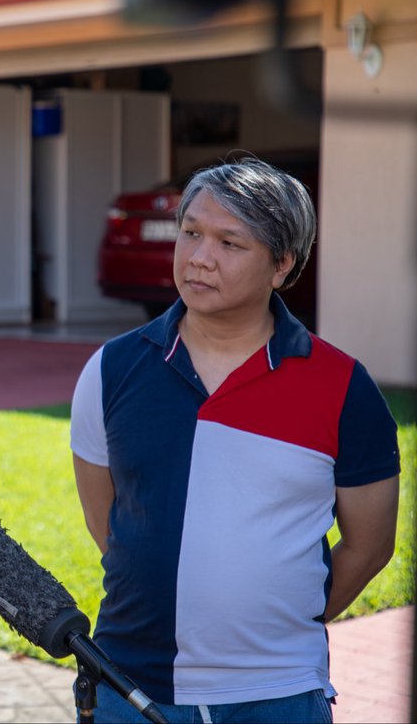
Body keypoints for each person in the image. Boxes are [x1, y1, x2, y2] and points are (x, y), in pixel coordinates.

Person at [70, 157, 400, 723]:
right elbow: (111, 525)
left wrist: (279, 625)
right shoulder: (111, 370)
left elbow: (370, 545)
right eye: (191, 232)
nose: (199, 257)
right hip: (130, 685)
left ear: (282, 265)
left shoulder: (343, 386)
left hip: (280, 694)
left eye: (229, 242)